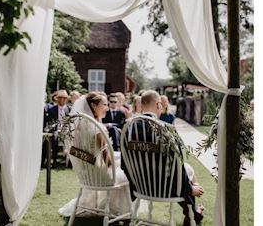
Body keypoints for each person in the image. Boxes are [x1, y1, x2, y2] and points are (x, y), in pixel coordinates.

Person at [121, 90, 204, 226]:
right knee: (187, 170)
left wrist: (137, 183)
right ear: (159, 105)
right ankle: (192, 215)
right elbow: (177, 165)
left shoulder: (128, 128)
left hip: (141, 187)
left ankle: (194, 213)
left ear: (141, 105)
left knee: (186, 171)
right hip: (166, 188)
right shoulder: (166, 129)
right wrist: (189, 189)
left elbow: (125, 164)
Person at [58, 92, 131, 217]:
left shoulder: (77, 128)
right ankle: (120, 211)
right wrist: (120, 161)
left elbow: (75, 152)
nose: (107, 108)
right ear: (93, 105)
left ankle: (103, 207)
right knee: (128, 173)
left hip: (86, 175)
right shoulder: (97, 128)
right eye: (104, 104)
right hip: (101, 176)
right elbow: (107, 162)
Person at [48, 90, 71, 168]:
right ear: (57, 99)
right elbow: (50, 123)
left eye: (64, 98)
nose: (62, 100)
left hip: (67, 132)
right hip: (56, 131)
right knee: (54, 140)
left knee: (70, 141)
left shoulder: (69, 109)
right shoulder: (52, 109)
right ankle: (54, 161)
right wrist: (54, 130)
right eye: (60, 98)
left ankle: (69, 162)